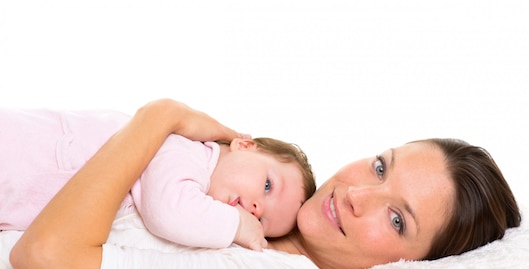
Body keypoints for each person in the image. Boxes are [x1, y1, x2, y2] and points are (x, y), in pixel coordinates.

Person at [2, 99, 521, 269]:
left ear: (412, 267)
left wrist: (160, 117)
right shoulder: (253, 206)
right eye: (381, 167)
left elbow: (45, 257)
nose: (360, 194)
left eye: (397, 220)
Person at [0, 108, 316, 251]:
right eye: (267, 186)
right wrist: (238, 225)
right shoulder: (184, 151)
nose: (257, 207)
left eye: (264, 220)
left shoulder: (199, 185)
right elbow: (169, 211)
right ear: (244, 145)